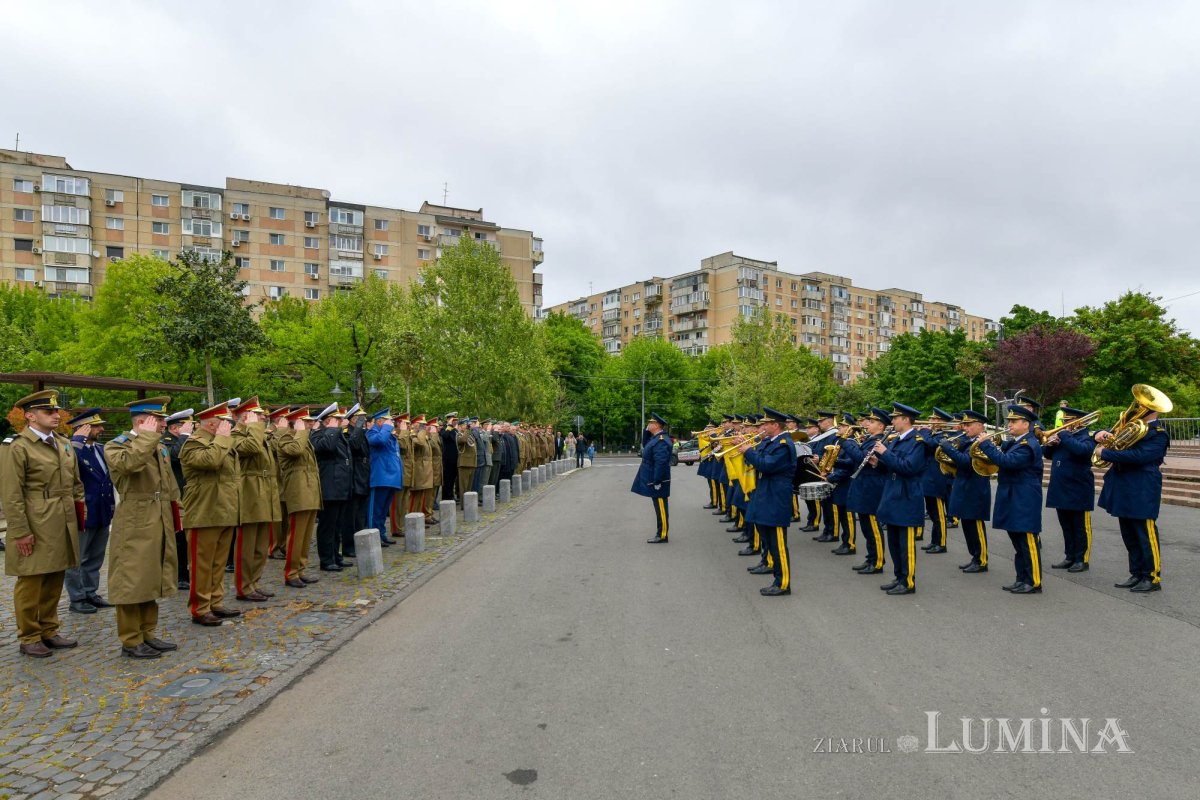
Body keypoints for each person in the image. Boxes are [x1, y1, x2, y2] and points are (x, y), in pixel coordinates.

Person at [1, 390, 84, 658]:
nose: (55, 415)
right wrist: (21, 531)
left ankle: (49, 629)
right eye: (48, 412)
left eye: (56, 411)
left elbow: (75, 483)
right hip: (35, 521)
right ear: (29, 416)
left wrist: (77, 513)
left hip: (60, 519)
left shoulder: (62, 443)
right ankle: (29, 636)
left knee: (54, 576)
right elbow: (12, 493)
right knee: (32, 581)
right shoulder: (16, 446)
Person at [104, 396, 180, 658]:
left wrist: (176, 508)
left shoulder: (157, 447)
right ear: (141, 421)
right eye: (158, 420)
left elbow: (169, 484)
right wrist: (146, 438)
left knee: (151, 576)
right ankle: (130, 638)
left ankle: (148, 632)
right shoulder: (116, 446)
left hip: (158, 513)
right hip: (135, 516)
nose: (163, 424)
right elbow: (129, 465)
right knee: (131, 579)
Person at [1095, 385, 1172, 592]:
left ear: (1152, 409)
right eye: (1138, 403)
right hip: (1123, 484)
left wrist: (1106, 453)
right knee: (1129, 533)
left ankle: (1152, 576)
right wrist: (1101, 434)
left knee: (1145, 533)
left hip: (1142, 486)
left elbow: (1141, 457)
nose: (1137, 406)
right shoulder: (1128, 426)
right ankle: (1136, 573)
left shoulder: (1158, 433)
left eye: (1142, 404)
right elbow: (1112, 442)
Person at [179, 401, 242, 626]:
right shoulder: (193, 444)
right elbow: (211, 461)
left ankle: (216, 602)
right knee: (201, 563)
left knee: (218, 562)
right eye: (225, 423)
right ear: (213, 424)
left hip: (224, 509)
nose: (229, 427)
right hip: (204, 511)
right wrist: (223, 439)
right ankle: (200, 607)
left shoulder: (219, 442)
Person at [974, 404, 1045, 594]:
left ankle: (1034, 581)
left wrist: (987, 444)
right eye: (1010, 421)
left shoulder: (1027, 444)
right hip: (1014, 493)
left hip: (1025, 496)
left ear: (1026, 424)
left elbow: (1008, 462)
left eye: (1014, 421)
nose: (1010, 425)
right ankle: (1021, 578)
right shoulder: (1016, 442)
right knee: (1017, 540)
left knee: (1027, 539)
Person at [741, 407, 798, 596]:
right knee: (767, 535)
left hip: (776, 495)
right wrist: (746, 447)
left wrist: (748, 450)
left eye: (766, 424)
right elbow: (757, 460)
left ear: (775, 425)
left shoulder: (783, 444)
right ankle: (774, 572)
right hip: (766, 493)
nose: (762, 427)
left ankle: (783, 583)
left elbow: (766, 464)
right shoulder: (770, 441)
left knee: (778, 542)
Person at [64, 408, 116, 614]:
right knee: (77, 557)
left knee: (95, 556)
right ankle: (77, 598)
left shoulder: (101, 449)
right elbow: (68, 467)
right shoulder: (70, 449)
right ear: (83, 428)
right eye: (96, 426)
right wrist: (77, 442)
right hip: (83, 512)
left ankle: (91, 592)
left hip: (102, 510)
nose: (101, 429)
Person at [874, 403, 928, 596]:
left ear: (906, 419)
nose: (893, 421)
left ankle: (908, 581)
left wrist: (885, 453)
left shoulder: (918, 442)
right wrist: (876, 462)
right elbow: (890, 466)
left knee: (906, 544)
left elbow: (908, 468)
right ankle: (898, 577)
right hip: (892, 492)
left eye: (896, 418)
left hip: (907, 494)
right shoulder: (895, 439)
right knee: (894, 541)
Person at [230, 397, 279, 602]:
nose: (263, 418)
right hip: (249, 491)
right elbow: (250, 448)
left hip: (264, 490)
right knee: (246, 545)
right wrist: (253, 427)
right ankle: (243, 586)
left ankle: (254, 582)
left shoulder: (256, 432)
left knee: (261, 544)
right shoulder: (236, 434)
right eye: (258, 415)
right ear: (246, 417)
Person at [1044, 406, 1097, 573]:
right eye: (1064, 421)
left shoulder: (1086, 438)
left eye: (1068, 421)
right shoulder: (1066, 437)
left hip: (1078, 488)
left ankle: (1082, 559)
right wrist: (1051, 444)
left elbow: (1082, 452)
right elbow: (1047, 454)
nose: (1064, 424)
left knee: (1080, 527)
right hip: (1061, 487)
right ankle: (1070, 556)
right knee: (1066, 525)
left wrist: (1064, 436)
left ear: (1078, 422)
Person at [937, 411, 992, 573]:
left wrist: (948, 448)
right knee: (967, 525)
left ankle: (981, 560)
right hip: (963, 486)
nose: (964, 427)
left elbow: (967, 462)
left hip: (975, 488)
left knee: (975, 525)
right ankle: (974, 556)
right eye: (964, 425)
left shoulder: (982, 442)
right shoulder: (967, 441)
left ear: (980, 426)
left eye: (968, 425)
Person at [275, 406, 322, 588]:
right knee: (296, 535)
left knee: (306, 535)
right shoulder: (285, 438)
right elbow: (294, 451)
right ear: (297, 422)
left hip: (309, 491)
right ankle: (291, 572)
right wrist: (301, 432)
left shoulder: (302, 439)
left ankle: (300, 569)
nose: (312, 424)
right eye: (307, 421)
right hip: (298, 492)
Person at [842, 408, 890, 575]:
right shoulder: (869, 439)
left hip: (872, 487)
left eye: (871, 422)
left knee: (873, 527)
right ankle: (871, 557)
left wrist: (847, 442)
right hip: (864, 486)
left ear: (881, 426)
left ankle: (877, 562)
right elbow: (855, 461)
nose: (867, 424)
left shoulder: (879, 441)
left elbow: (862, 457)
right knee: (865, 527)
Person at [311, 403, 353, 571]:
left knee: (337, 526)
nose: (341, 421)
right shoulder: (318, 434)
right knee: (327, 526)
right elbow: (326, 447)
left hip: (340, 487)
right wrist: (333, 429)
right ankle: (326, 559)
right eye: (337, 419)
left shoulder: (335, 434)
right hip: (330, 487)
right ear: (328, 420)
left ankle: (336, 555)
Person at [162, 408, 194, 588]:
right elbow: (174, 457)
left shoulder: (183, 440)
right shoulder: (166, 441)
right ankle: (180, 575)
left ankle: (187, 572)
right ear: (175, 428)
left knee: (187, 538)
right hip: (176, 495)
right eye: (186, 426)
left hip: (188, 494)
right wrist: (184, 437)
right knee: (179, 539)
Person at [918, 408, 955, 554]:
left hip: (938, 479)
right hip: (928, 478)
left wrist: (924, 432)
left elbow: (932, 445)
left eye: (933, 419)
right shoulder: (933, 434)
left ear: (940, 421)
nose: (930, 421)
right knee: (933, 513)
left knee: (939, 515)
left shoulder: (945, 435)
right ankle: (934, 541)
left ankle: (941, 543)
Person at [632, 413, 672, 543]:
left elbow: (660, 463)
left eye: (650, 423)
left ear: (657, 425)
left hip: (659, 480)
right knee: (658, 506)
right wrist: (646, 430)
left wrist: (657, 480)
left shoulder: (661, 440)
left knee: (661, 507)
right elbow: (645, 443)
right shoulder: (655, 438)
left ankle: (662, 534)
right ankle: (661, 532)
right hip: (655, 478)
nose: (648, 425)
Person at [367, 408, 402, 544]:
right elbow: (379, 441)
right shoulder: (372, 433)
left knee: (383, 511)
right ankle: (373, 536)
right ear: (380, 421)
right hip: (380, 477)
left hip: (391, 478)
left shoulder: (388, 434)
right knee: (375, 510)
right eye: (388, 421)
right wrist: (387, 428)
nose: (391, 423)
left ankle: (381, 534)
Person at [456, 417, 478, 507]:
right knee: (464, 486)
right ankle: (463, 505)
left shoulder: (469, 434)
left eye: (467, 425)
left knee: (469, 486)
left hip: (472, 462)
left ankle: (468, 503)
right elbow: (463, 440)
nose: (467, 426)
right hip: (464, 463)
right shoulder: (459, 435)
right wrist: (468, 430)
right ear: (460, 426)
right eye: (465, 425)